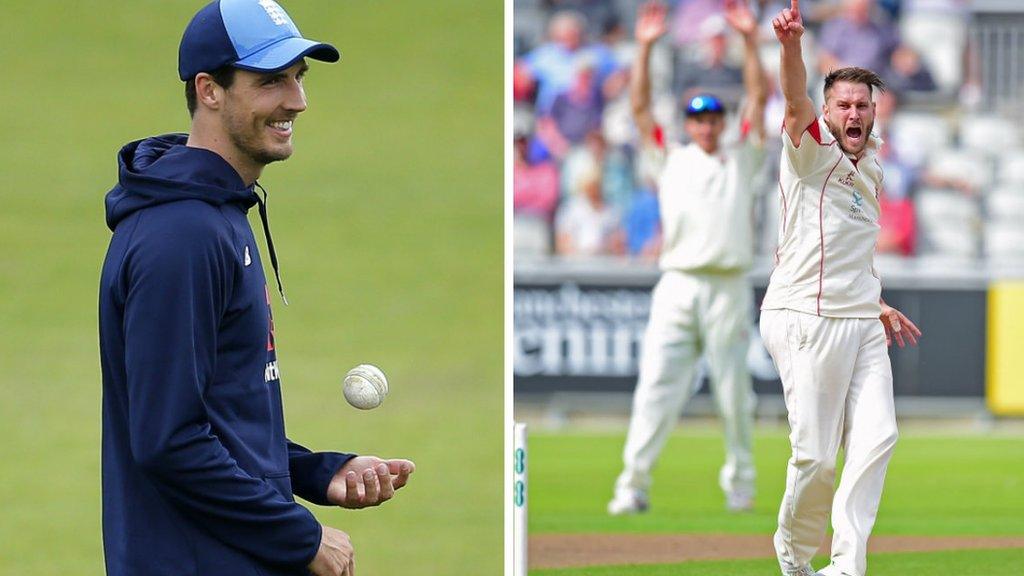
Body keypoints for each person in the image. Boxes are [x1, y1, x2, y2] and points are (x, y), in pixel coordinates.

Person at [98, 2, 414, 576]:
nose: (296, 100)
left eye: (299, 77)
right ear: (209, 90)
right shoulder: (182, 236)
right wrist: (300, 537)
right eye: (271, 80)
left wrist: (318, 472)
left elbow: (219, 422)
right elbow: (168, 441)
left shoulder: (216, 216)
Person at [761, 2, 921, 575]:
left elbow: (848, 247)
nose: (853, 113)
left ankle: (846, 566)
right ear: (828, 113)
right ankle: (794, 558)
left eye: (862, 105)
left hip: (860, 318)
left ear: (875, 113)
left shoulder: (873, 166)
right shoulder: (811, 152)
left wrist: (873, 301)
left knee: (877, 437)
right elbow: (794, 98)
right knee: (816, 458)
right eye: (843, 105)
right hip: (805, 314)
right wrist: (790, 48)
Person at [608, 0, 768, 516]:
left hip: (727, 285)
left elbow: (759, 98)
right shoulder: (670, 157)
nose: (705, 125)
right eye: (697, 118)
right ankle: (632, 486)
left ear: (721, 122)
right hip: (677, 283)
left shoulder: (740, 156)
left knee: (733, 395)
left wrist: (748, 39)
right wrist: (646, 46)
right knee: (655, 386)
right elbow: (638, 110)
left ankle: (740, 484)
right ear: (688, 124)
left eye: (712, 117)